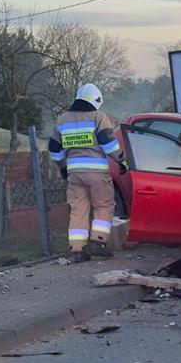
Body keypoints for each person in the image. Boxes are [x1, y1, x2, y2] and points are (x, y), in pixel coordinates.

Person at [48, 82, 121, 259]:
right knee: (104, 205)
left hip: (74, 174)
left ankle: (77, 249)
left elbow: (54, 149)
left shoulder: (62, 119)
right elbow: (108, 143)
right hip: (97, 173)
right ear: (96, 100)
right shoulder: (99, 117)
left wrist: (63, 168)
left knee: (78, 209)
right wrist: (122, 160)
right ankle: (98, 241)